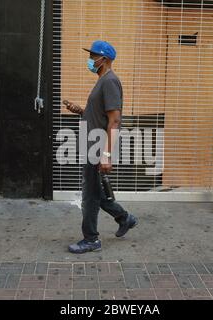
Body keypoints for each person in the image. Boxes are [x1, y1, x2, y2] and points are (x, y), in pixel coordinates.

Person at [65, 40, 138, 254]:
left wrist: (106, 155)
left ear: (104, 59)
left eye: (93, 56)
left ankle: (91, 239)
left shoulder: (109, 81)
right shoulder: (102, 80)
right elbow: (99, 115)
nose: (90, 60)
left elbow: (114, 120)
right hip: (92, 145)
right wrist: (80, 111)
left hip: (98, 148)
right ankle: (125, 218)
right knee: (96, 193)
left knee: (89, 196)